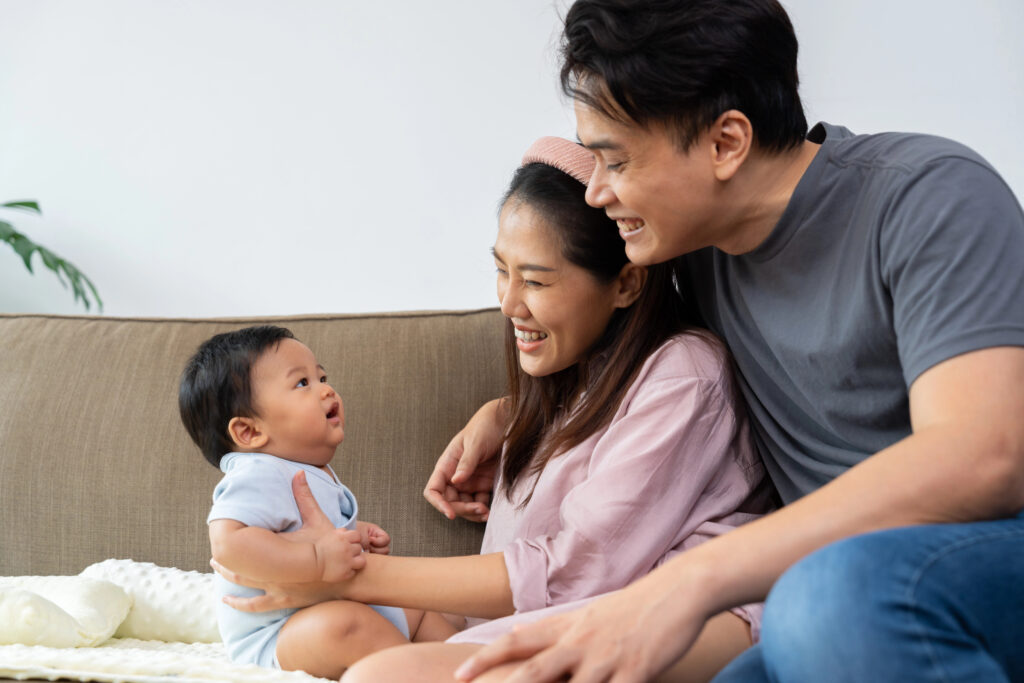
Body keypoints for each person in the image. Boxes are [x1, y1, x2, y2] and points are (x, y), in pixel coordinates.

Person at [445, 1, 1024, 682]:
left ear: (726, 143)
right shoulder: (694, 250)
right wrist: (509, 415)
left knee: (821, 603)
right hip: (821, 605)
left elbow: (984, 456)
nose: (598, 191)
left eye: (616, 160)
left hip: (975, 557)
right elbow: (616, 346)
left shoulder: (928, 197)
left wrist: (690, 582)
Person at [211, 137, 774, 683]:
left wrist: (349, 578)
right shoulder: (565, 380)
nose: (507, 304)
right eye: (502, 270)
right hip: (561, 618)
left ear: (626, 283)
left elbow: (577, 571)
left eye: (534, 280)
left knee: (379, 674)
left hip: (660, 618)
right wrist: (508, 413)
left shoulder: (685, 374)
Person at [178, 325, 458, 678]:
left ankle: (473, 666)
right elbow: (227, 542)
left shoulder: (302, 469)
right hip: (277, 634)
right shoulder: (257, 472)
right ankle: (422, 673)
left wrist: (354, 533)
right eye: (302, 383)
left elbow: (306, 530)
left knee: (418, 607)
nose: (327, 389)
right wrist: (318, 559)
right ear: (249, 432)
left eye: (321, 376)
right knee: (346, 626)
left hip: (325, 604)